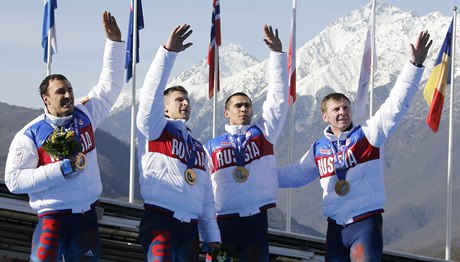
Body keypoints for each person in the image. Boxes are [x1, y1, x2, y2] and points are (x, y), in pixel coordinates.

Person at [277, 31, 432, 261]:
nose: (342, 112)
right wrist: (259, 174)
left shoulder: (369, 134)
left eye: (346, 108)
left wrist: (415, 65)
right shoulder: (318, 148)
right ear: (324, 116)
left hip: (365, 224)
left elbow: (396, 105)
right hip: (335, 229)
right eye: (336, 109)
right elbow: (296, 174)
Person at [4, 11, 124, 261]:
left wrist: (114, 43)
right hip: (52, 220)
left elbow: (109, 86)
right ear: (46, 99)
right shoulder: (30, 134)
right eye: (61, 92)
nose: (68, 95)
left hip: (87, 220)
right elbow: (14, 181)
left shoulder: (86, 113)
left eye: (70, 89)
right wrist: (59, 170)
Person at [136, 24, 220, 261]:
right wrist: (168, 53)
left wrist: (213, 237)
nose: (185, 103)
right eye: (178, 100)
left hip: (189, 228)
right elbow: (150, 95)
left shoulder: (198, 148)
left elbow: (206, 197)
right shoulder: (153, 130)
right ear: (164, 107)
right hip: (159, 220)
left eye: (187, 100)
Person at [204, 25, 288, 261]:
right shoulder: (210, 147)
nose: (243, 109)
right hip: (223, 222)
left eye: (247, 105)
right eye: (238, 106)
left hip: (255, 220)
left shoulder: (263, 133)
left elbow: (278, 100)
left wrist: (277, 55)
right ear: (226, 113)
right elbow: (200, 187)